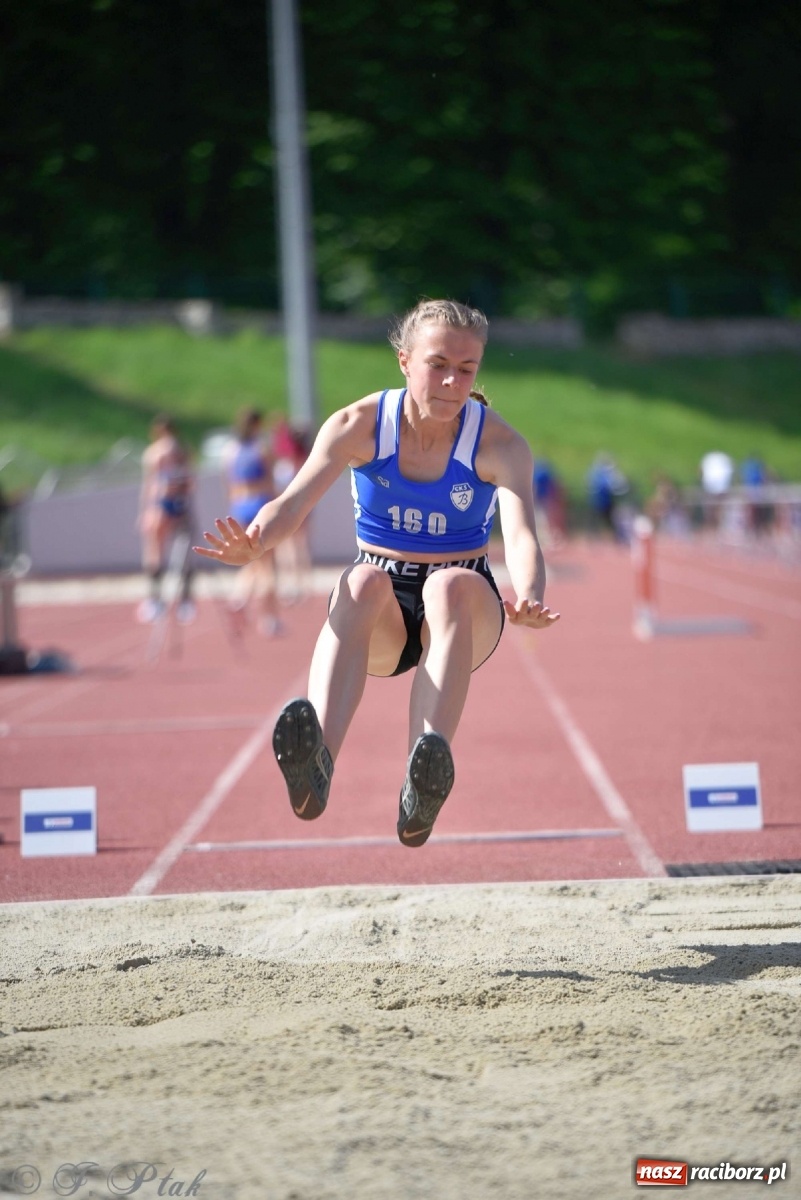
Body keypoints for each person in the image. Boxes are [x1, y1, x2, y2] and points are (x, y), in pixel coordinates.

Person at [195, 299, 560, 846]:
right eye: (438, 365)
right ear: (404, 361)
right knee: (363, 579)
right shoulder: (358, 424)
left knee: (449, 585)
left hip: (462, 611)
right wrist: (257, 542)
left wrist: (528, 594)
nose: (452, 383)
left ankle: (424, 776)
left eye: (467, 370)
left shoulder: (499, 444)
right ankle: (317, 758)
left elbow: (522, 532)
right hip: (384, 616)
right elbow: (292, 502)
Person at [223, 408, 284, 637]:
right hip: (260, 504)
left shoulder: (231, 450)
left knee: (251, 561)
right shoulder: (262, 449)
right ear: (257, 425)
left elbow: (229, 483)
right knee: (267, 564)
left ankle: (238, 598)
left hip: (240, 505)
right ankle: (270, 619)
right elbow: (270, 482)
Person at [137, 415, 196, 624]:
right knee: (180, 552)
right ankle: (182, 602)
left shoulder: (160, 452)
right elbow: (190, 481)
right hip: (177, 504)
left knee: (157, 552)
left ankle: (159, 600)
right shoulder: (180, 450)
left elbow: (151, 483)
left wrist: (146, 510)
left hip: (163, 503)